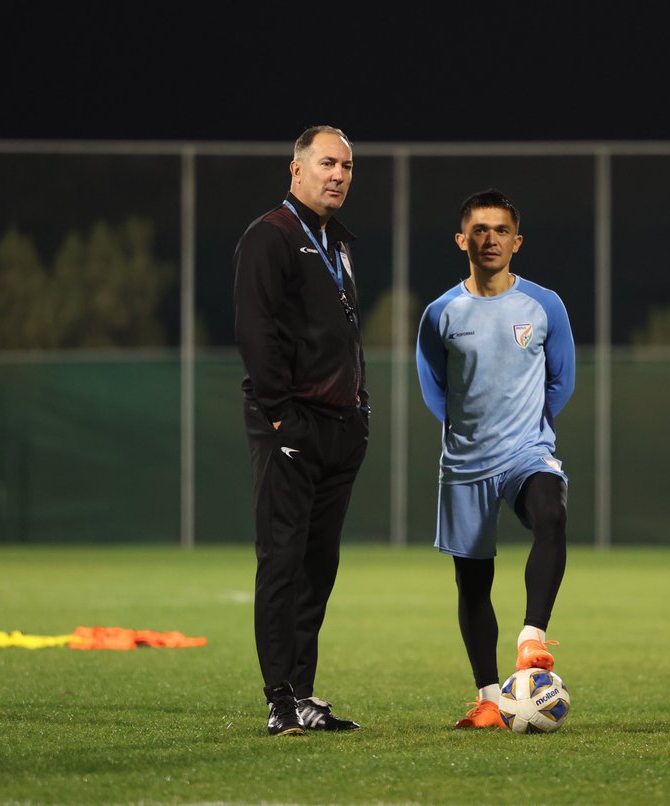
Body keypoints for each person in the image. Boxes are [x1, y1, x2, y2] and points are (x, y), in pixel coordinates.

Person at [415, 188, 576, 729]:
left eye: (501, 230)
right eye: (479, 230)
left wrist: (527, 427)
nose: (490, 239)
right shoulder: (441, 313)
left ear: (517, 242)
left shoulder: (544, 304)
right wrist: (466, 432)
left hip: (527, 451)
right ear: (462, 240)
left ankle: (532, 639)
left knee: (552, 514)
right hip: (465, 462)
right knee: (473, 581)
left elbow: (563, 379)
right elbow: (434, 387)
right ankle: (488, 698)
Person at [232, 125, 370, 736]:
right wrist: (280, 413)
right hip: (292, 423)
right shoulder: (271, 236)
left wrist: (359, 407)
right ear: (296, 169)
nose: (337, 174)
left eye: (345, 166)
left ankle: (305, 695)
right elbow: (257, 332)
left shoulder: (335, 241)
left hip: (341, 426)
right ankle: (278, 699)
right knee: (282, 561)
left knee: (319, 566)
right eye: (326, 164)